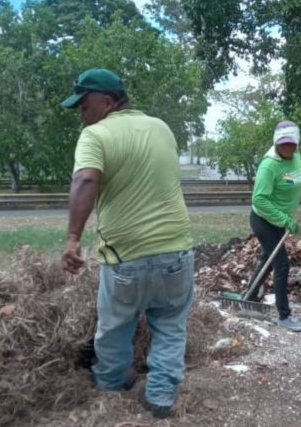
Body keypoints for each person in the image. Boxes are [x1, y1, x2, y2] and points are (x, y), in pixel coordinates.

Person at [59, 68, 193, 419]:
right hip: (176, 253)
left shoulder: (96, 134)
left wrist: (73, 238)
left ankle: (111, 385)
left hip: (126, 257)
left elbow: (87, 178)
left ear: (106, 102)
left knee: (116, 325)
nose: (81, 115)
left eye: (84, 106)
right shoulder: (161, 126)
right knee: (169, 325)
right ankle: (161, 396)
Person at [249, 121, 301, 331]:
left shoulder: (296, 156)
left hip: (279, 221)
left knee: (267, 259)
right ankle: (284, 315)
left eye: (291, 144)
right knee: (281, 264)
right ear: (276, 143)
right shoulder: (269, 165)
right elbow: (260, 199)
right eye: (283, 144)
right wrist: (284, 220)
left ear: (297, 144)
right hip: (264, 221)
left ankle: (250, 297)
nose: (287, 148)